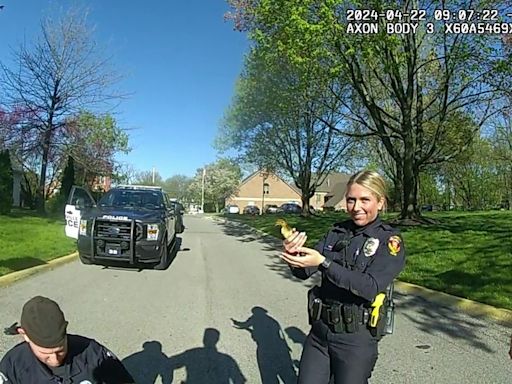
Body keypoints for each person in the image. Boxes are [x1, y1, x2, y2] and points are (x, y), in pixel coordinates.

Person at [280, 170, 406, 384]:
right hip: (320, 333)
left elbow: (369, 287)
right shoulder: (336, 232)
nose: (356, 207)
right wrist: (295, 255)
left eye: (365, 200)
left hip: (355, 338)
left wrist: (324, 263)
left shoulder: (389, 240)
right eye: (351, 200)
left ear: (380, 202)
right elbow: (304, 272)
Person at [0, 296, 134, 384]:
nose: (55, 359)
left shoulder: (93, 352)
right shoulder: (13, 365)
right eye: (45, 354)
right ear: (25, 335)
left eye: (60, 350)